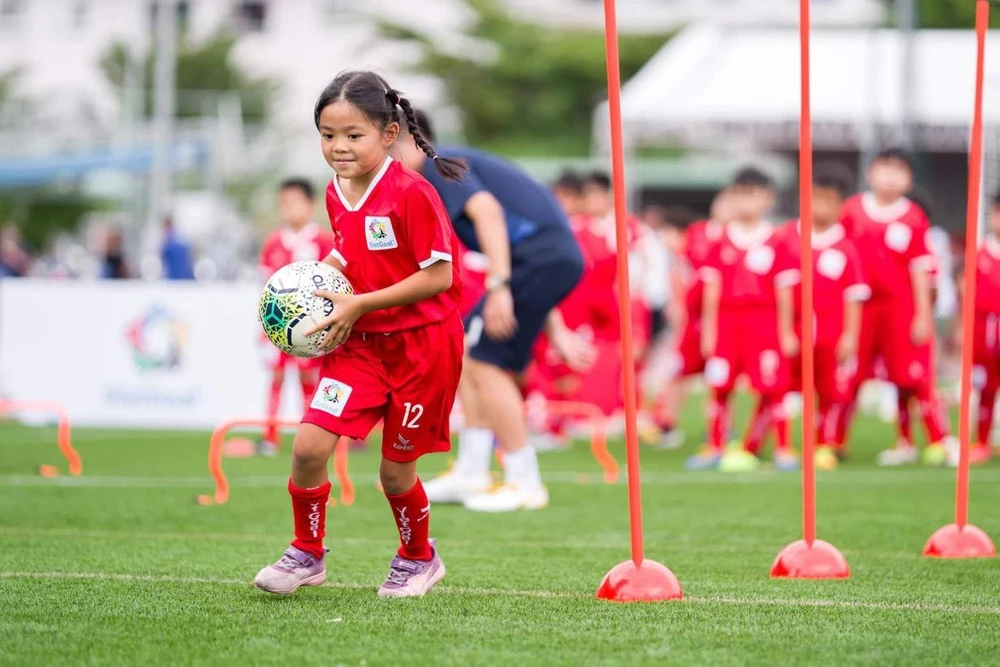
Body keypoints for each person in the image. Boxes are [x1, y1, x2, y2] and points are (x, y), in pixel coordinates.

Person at [253, 70, 466, 598]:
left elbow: (439, 275)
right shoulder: (334, 192)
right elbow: (351, 252)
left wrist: (358, 302)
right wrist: (309, 285)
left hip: (423, 347)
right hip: (360, 345)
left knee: (394, 476)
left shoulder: (411, 193)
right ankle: (307, 552)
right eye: (328, 135)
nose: (339, 147)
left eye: (354, 135)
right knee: (307, 447)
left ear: (389, 134)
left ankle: (419, 558)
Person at [394, 110, 589, 513]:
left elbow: (488, 213)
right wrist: (555, 327)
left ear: (401, 138)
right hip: (542, 262)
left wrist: (499, 286)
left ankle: (525, 482)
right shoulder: (443, 167)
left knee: (485, 363)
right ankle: (472, 471)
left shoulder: (437, 165)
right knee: (469, 352)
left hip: (539, 261)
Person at [839, 149, 955, 465]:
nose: (890, 178)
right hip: (860, 306)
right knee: (851, 375)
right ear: (871, 173)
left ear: (908, 179)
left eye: (899, 172)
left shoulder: (913, 216)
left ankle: (937, 442)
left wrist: (922, 314)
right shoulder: (851, 211)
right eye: (885, 169)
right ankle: (833, 442)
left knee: (913, 377)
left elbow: (921, 270)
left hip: (901, 306)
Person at [691, 167, 799, 472]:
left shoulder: (778, 242)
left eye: (752, 194)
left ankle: (782, 447)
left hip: (764, 322)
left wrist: (787, 330)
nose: (745, 202)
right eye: (739, 194)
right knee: (720, 385)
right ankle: (714, 445)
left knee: (773, 386)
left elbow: (785, 290)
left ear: (767, 199)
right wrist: (709, 330)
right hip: (727, 321)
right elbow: (711, 291)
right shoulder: (720, 240)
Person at [777, 166, 869, 470]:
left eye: (828, 201)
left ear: (840, 204)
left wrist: (851, 334)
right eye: (814, 200)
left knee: (831, 389)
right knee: (784, 387)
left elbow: (854, 295)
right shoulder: (790, 238)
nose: (821, 207)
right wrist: (785, 330)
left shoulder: (846, 247)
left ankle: (825, 444)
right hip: (798, 327)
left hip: (832, 328)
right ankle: (783, 445)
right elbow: (784, 287)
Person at [256, 178, 337, 456]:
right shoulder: (274, 242)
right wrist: (263, 325)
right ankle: (270, 436)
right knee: (276, 377)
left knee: (309, 380)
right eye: (284, 203)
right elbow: (264, 285)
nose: (289, 209)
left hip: (310, 328)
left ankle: (309, 436)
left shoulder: (324, 241)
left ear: (310, 204)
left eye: (294, 202)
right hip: (277, 326)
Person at [966, 194, 1000, 463]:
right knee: (986, 389)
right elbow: (966, 296)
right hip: (984, 334)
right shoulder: (979, 254)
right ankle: (982, 441)